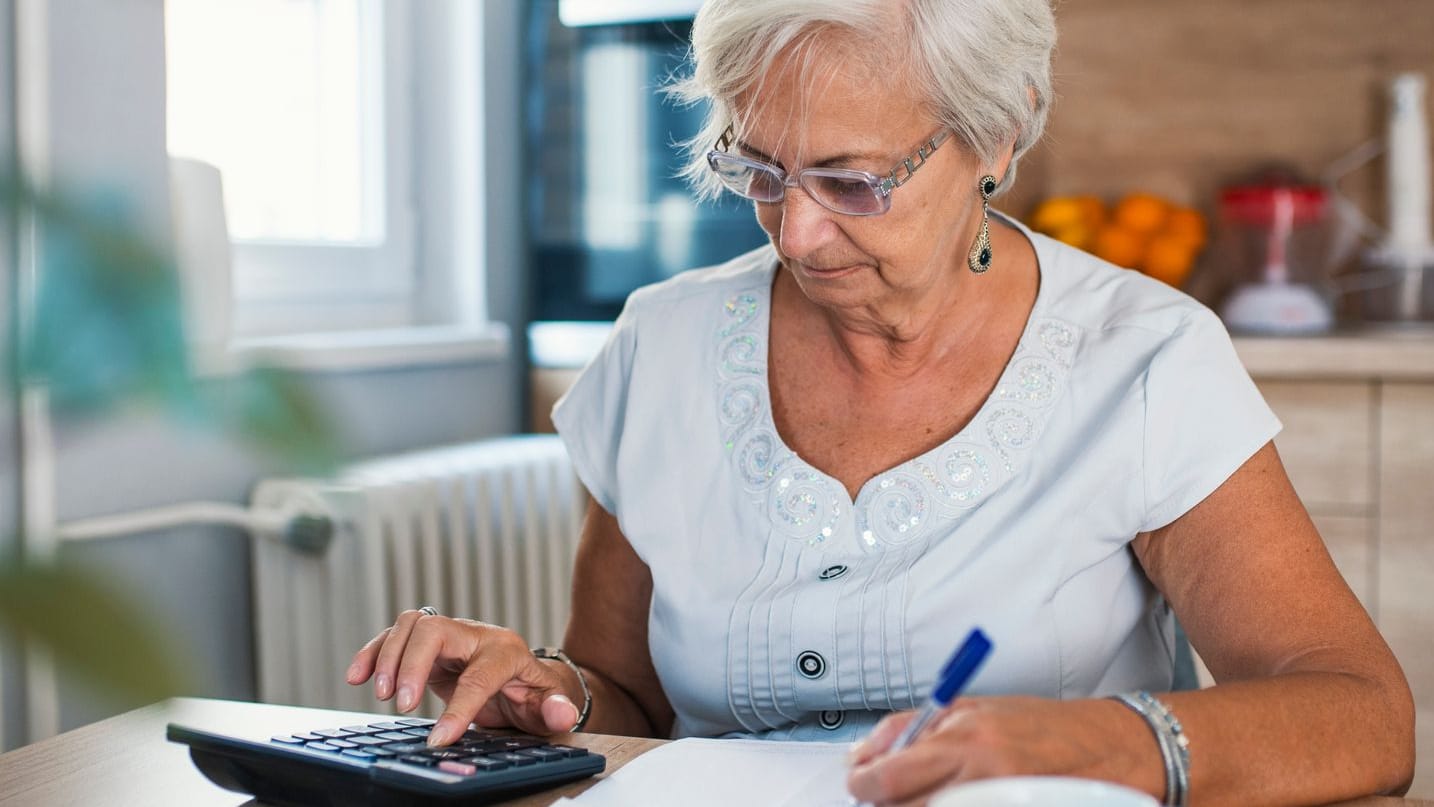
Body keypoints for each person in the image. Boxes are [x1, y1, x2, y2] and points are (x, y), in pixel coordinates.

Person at [347, 1, 1415, 803]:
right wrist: (551, 694)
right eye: (760, 170)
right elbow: (629, 694)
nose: (796, 235)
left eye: (853, 181)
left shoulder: (1143, 358)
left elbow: (1364, 718)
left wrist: (1103, 742)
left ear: (997, 137)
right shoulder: (661, 347)